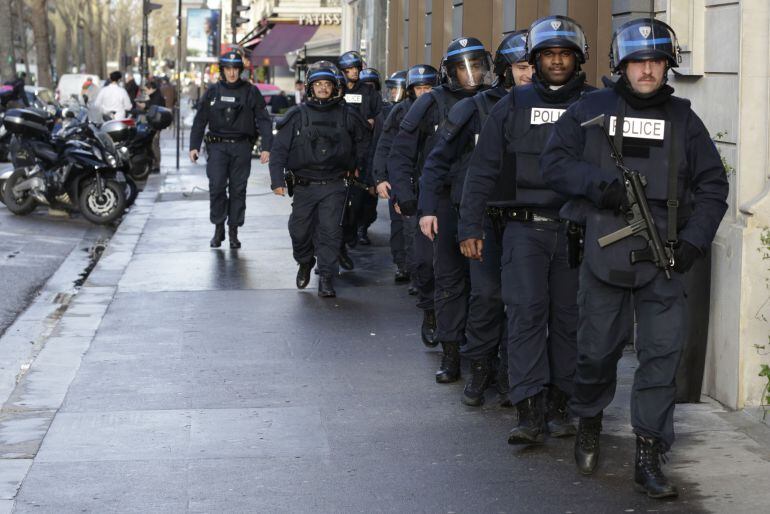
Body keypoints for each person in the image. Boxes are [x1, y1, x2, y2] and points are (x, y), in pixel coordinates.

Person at [541, 18, 728, 498]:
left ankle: (649, 452)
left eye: (656, 61)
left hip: (665, 258)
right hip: (606, 254)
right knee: (596, 353)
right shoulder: (590, 109)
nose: (647, 70)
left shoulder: (686, 119)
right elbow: (555, 163)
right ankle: (589, 421)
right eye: (638, 62)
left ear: (668, 66)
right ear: (622, 66)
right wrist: (598, 188)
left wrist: (694, 240)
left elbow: (712, 186)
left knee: (661, 360)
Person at [460, 16, 595, 443]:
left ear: (578, 60)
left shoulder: (598, 104)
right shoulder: (511, 105)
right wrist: (470, 225)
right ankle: (529, 411)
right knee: (525, 316)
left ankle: (561, 405)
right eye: (548, 55)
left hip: (577, 231)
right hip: (522, 231)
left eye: (565, 55)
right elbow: (482, 171)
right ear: (534, 61)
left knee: (570, 320)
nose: (557, 62)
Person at [419, 30, 531, 406]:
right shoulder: (475, 106)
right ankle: (475, 364)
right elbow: (435, 159)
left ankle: (508, 370)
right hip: (474, 212)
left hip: (528, 219)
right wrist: (427, 208)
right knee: (482, 292)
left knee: (522, 299)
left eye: (533, 65)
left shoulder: (556, 107)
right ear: (505, 70)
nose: (529, 73)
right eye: (521, 66)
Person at [390, 36, 494, 382]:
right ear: (448, 72)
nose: (471, 74)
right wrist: (409, 197)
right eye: (462, 68)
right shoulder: (431, 102)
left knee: (483, 284)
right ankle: (449, 351)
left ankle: (479, 353)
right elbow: (402, 150)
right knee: (443, 276)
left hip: (483, 203)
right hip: (443, 200)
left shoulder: (494, 101)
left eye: (476, 66)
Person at [269, 64, 371, 298]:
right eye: (318, 85)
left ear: (334, 87)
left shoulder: (347, 114)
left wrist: (357, 165)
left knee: (330, 232)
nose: (323, 89)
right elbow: (279, 149)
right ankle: (305, 261)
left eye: (327, 84)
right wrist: (277, 180)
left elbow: (365, 140)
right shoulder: (297, 115)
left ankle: (326, 276)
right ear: (310, 88)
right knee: (299, 231)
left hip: (335, 184)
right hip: (305, 184)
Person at [189, 50, 272, 249]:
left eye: (235, 69)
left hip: (241, 147)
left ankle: (233, 230)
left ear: (240, 70)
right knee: (216, 186)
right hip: (217, 147)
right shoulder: (212, 91)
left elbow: (263, 119)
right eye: (228, 69)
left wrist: (267, 147)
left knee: (238, 190)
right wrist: (194, 145)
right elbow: (200, 120)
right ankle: (219, 228)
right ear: (222, 70)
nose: (232, 73)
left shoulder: (251, 91)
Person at [374, 66, 437, 287]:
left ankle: (423, 274)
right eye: (419, 88)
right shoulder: (400, 111)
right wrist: (380, 177)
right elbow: (385, 145)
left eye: (428, 88)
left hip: (432, 179)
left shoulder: (443, 108)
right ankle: (407, 268)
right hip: (404, 179)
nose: (423, 93)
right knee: (404, 228)